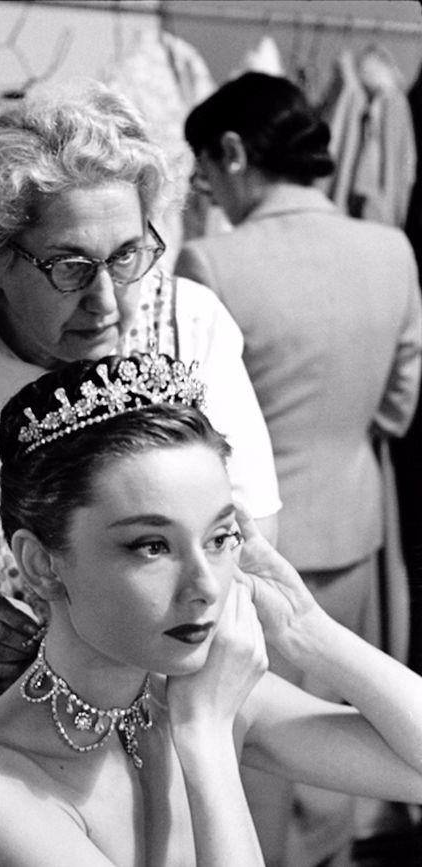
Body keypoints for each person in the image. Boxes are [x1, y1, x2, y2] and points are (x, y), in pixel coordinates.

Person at [0, 79, 281, 858]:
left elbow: (250, 541)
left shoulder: (193, 327)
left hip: (168, 756)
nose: (109, 301)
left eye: (129, 255)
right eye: (71, 266)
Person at [0, 349, 422, 867]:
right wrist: (205, 741)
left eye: (220, 537)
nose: (204, 586)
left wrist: (306, 628)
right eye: (151, 546)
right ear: (42, 563)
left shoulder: (183, 692)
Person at [174, 71, 422, 866]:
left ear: (235, 153)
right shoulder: (392, 247)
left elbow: (195, 427)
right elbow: (400, 403)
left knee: (258, 759)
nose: (202, 187)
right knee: (343, 762)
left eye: (203, 167)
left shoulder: (211, 265)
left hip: (254, 549)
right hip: (357, 529)